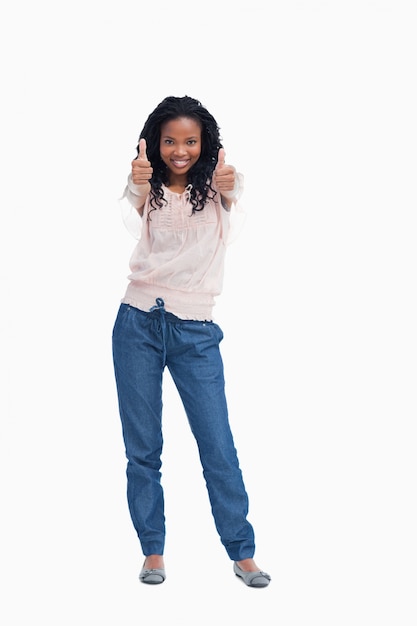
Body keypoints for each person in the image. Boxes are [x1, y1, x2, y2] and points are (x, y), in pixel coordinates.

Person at [112, 95, 271, 588]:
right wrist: (137, 183)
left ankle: (242, 553)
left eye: (189, 141)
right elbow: (129, 209)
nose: (179, 150)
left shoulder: (219, 189)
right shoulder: (146, 189)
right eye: (169, 141)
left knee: (217, 445)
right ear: (155, 144)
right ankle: (153, 551)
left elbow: (237, 197)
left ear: (205, 145)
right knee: (143, 449)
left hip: (195, 331)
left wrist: (234, 182)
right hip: (136, 321)